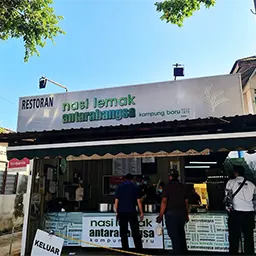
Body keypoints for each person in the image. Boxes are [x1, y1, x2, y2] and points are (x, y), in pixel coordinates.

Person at [157, 169, 189, 256]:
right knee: (181, 233)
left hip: (171, 214)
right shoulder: (182, 186)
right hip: (182, 213)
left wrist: (160, 215)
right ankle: (183, 252)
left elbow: (164, 202)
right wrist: (187, 214)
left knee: (174, 234)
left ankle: (177, 252)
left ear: (170, 177)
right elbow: (186, 202)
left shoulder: (167, 187)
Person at [225, 166, 256, 256]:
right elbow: (254, 202)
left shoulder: (231, 183)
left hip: (236, 214)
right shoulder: (251, 185)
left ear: (235, 173)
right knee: (248, 238)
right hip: (249, 215)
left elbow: (228, 199)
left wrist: (229, 210)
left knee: (234, 238)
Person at [114, 173, 144, 252]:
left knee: (123, 232)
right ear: (132, 179)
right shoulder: (135, 187)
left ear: (124, 179)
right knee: (135, 232)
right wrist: (141, 212)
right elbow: (139, 201)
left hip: (122, 212)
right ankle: (139, 250)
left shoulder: (119, 187)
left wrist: (116, 212)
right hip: (132, 212)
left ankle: (125, 250)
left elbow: (116, 201)